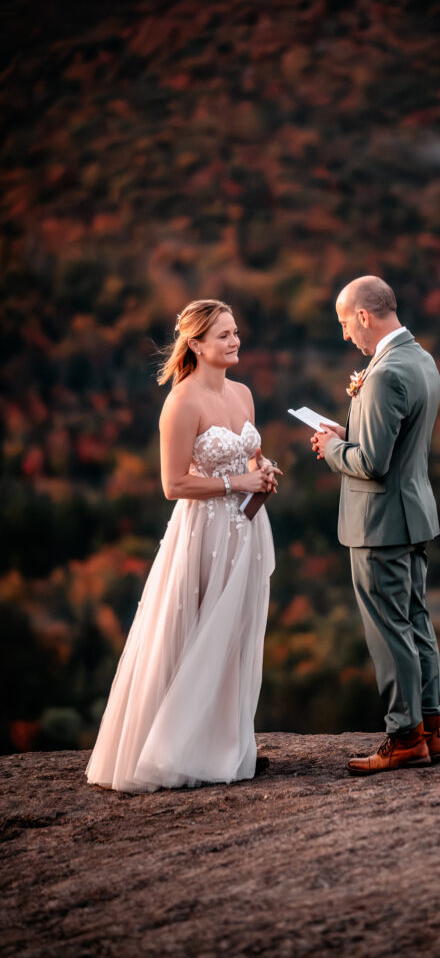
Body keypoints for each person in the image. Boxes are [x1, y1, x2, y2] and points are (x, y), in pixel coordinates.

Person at [86, 299, 281, 793]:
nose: (235, 341)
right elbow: (173, 484)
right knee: (196, 633)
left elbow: (250, 455)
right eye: (223, 335)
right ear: (195, 344)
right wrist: (238, 482)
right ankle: (175, 752)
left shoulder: (243, 393)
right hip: (204, 533)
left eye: (235, 332)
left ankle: (227, 747)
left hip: (247, 530)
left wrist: (263, 471)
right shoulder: (181, 402)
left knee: (235, 634)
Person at [312, 276, 440, 775]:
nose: (346, 334)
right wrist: (350, 432)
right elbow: (397, 439)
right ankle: (430, 729)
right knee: (416, 622)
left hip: (379, 523)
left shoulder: (385, 372)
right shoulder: (421, 360)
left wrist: (332, 449)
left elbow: (371, 463)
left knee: (390, 630)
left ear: (364, 316)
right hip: (413, 515)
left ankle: (404, 736)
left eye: (346, 323)